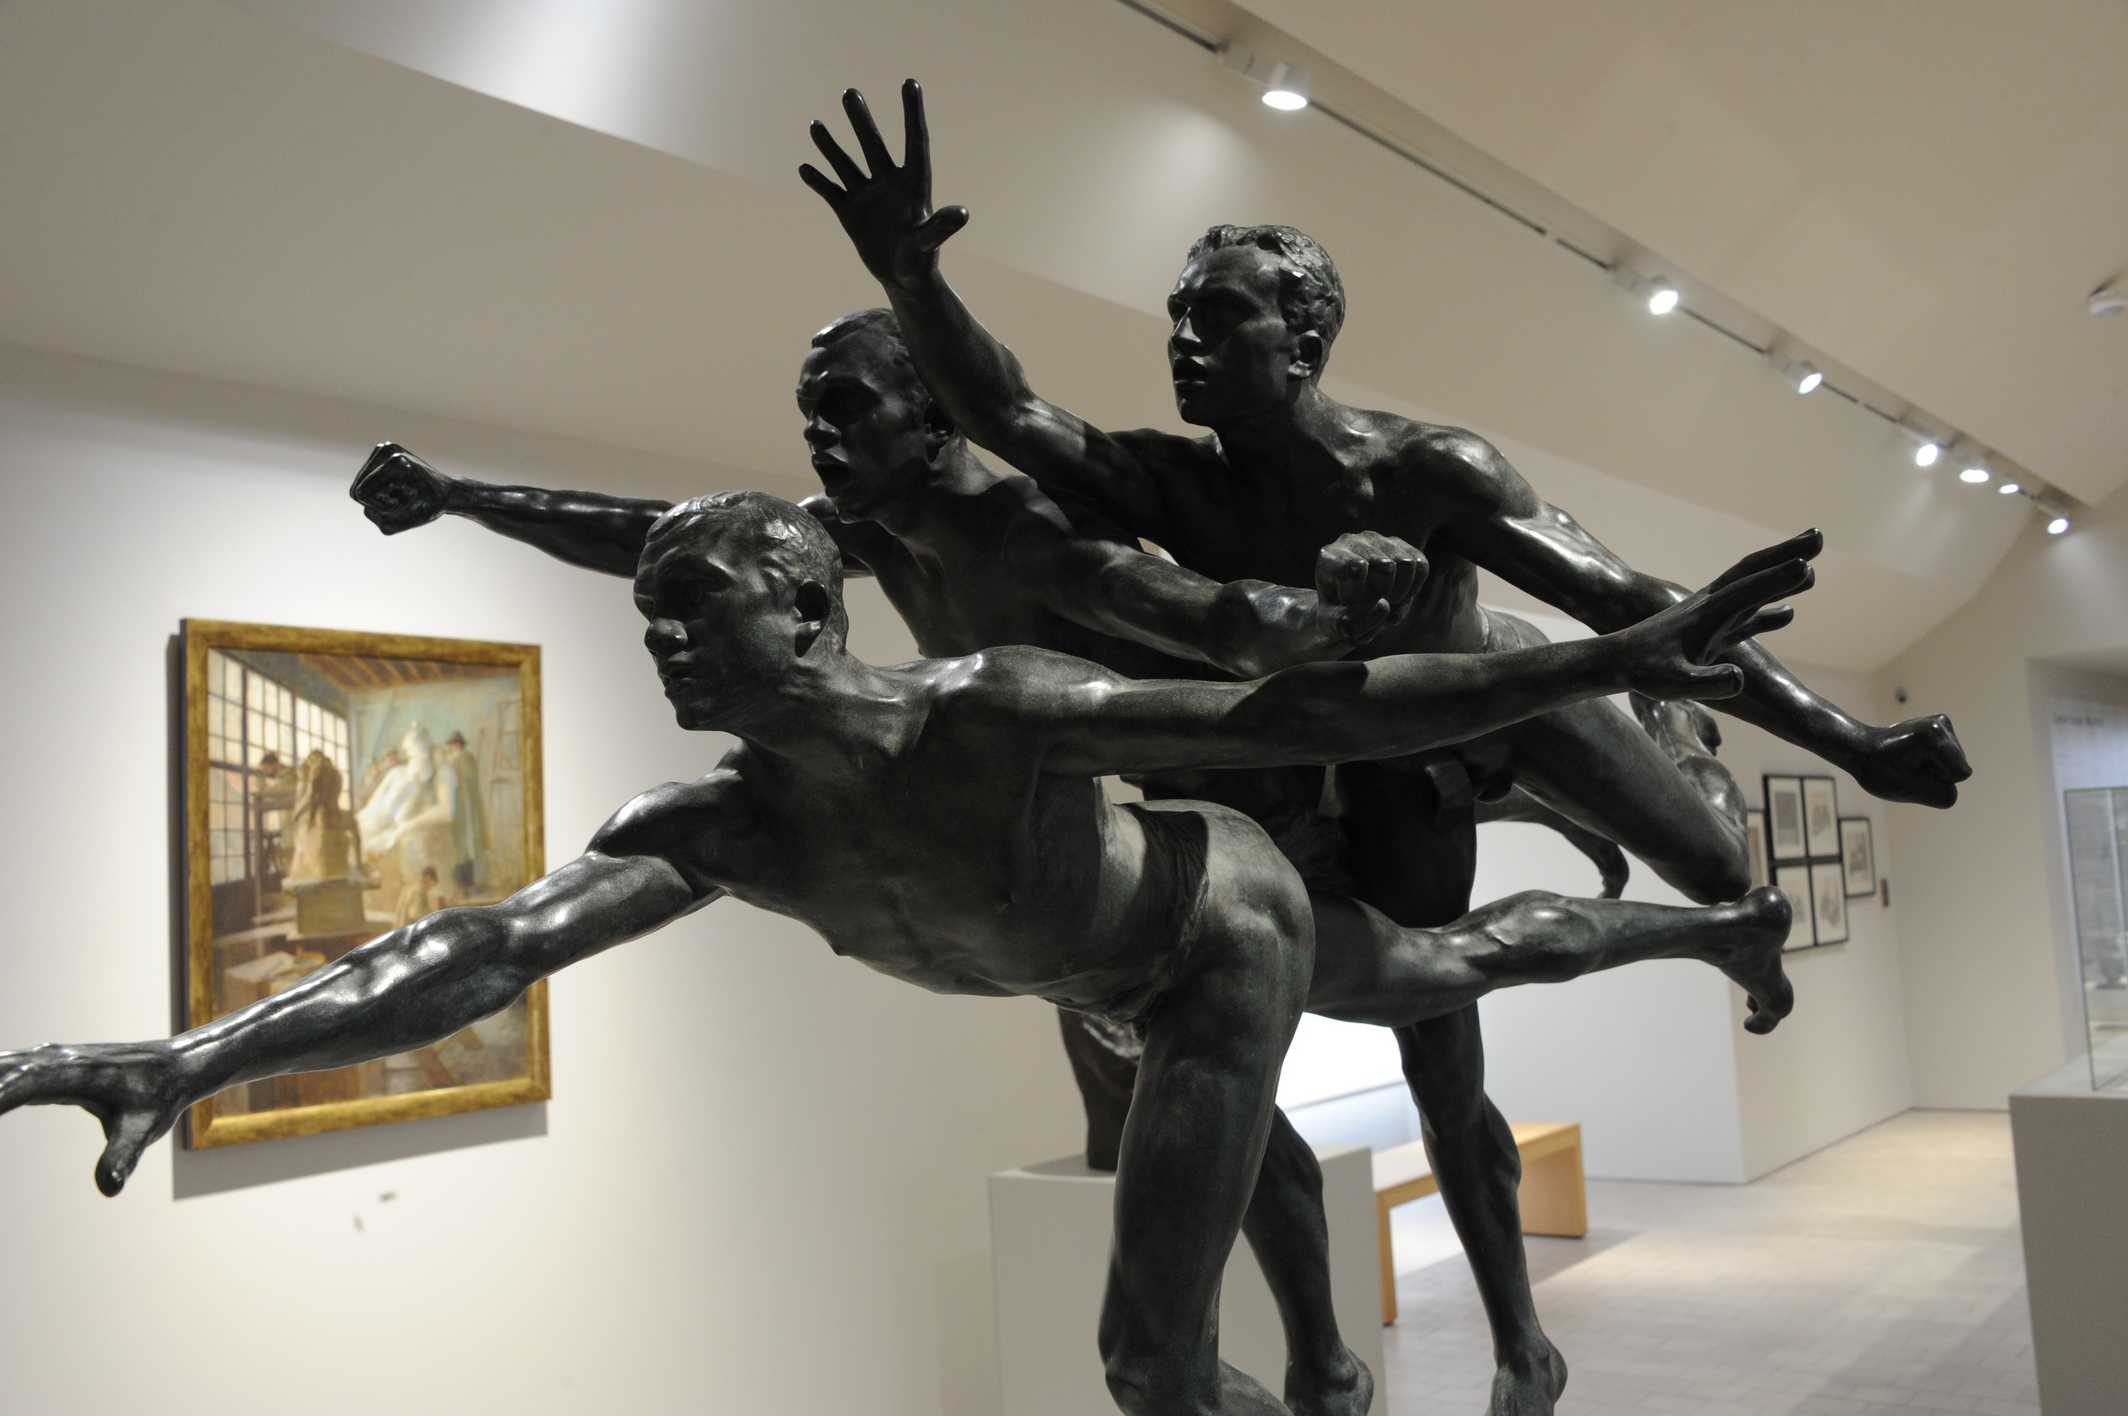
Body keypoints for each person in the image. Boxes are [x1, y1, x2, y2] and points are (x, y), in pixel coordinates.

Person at [0, 490, 1809, 1416]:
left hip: (1214, 937)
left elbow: (1284, 714)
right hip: (1092, 982)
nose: (665, 645)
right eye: (649, 617)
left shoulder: (978, 713)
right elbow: (486, 949)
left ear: (804, 608)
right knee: (1436, 977)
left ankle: (1698, 919)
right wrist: (194, 1057)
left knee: (1174, 1326)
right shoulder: (725, 827)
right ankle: (1707, 937)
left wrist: (1607, 657)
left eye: (695, 610)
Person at [803, 81, 1973, 1411]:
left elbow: (1636, 605)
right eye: (1177, 318)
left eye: (1218, 317)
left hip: (1496, 701)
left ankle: (1682, 752)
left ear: (1303, 337)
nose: (1185, 343)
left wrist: (1852, 740)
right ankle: (1521, 1347)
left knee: (1713, 864)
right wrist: (911, 278)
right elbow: (1011, 415)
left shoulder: (1425, 470)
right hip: (1364, 755)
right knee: (1436, 1044)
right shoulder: (1172, 484)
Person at [350, 308, 1628, 1414]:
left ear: (933, 418)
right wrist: (465, 498)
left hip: (1283, 785)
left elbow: (1223, 626)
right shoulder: (856, 539)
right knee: (1214, 1126)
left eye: (845, 408)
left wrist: (1329, 614)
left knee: (1436, 1026)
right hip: (1131, 831)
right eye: (809, 414)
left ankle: (1519, 1340)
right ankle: (1322, 1367)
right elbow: (654, 541)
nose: (818, 438)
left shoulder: (1032, 535)